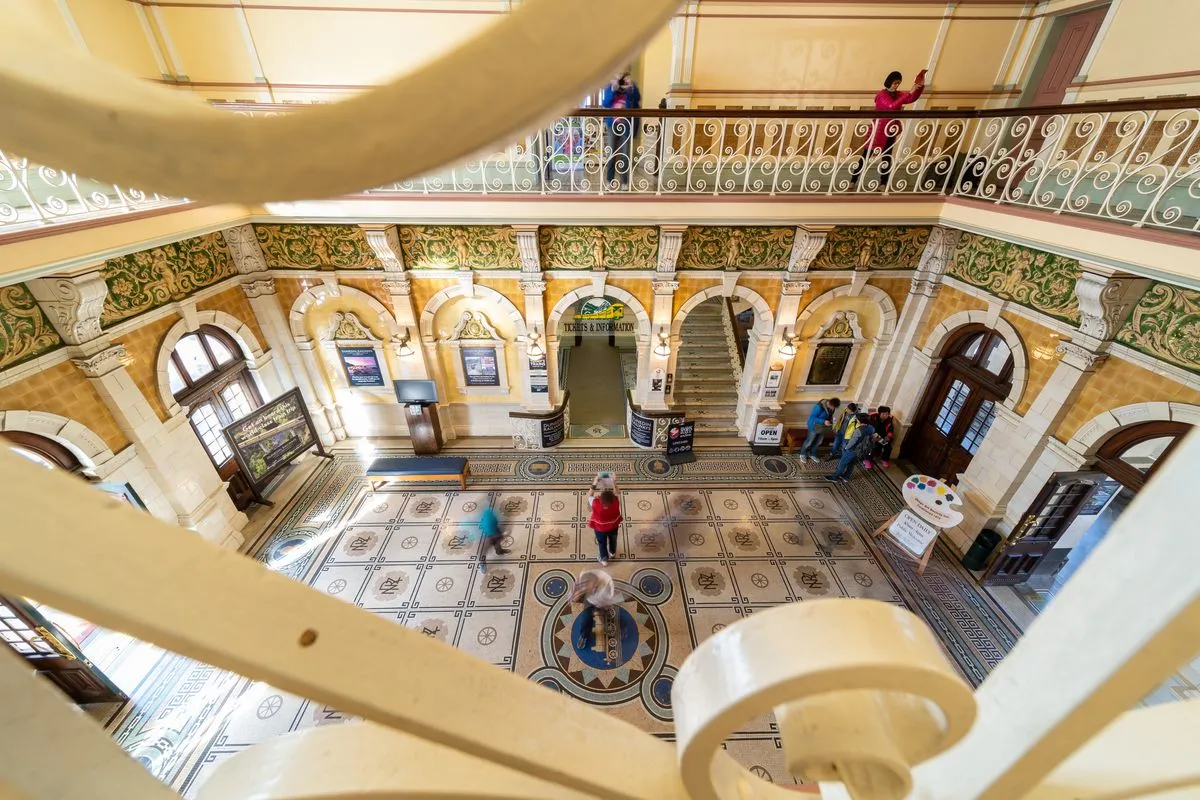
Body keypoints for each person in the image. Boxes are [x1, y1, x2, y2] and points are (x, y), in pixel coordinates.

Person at [851, 69, 927, 189]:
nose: (896, 85)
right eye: (895, 83)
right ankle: (853, 180)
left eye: (898, 83)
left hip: (890, 130)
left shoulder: (898, 94)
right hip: (878, 130)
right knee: (865, 156)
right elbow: (891, 106)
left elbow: (911, 99)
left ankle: (883, 183)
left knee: (887, 157)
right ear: (890, 82)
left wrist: (919, 87)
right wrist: (909, 93)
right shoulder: (881, 95)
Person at [600, 71, 641, 188]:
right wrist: (613, 88)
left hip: (627, 124)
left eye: (623, 77)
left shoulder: (631, 87)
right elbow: (605, 103)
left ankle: (624, 182)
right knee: (611, 153)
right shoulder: (610, 86)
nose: (621, 80)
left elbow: (637, 99)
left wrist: (630, 87)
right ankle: (609, 180)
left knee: (625, 154)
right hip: (612, 124)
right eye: (619, 76)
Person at [571, 569, 620, 651]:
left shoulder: (608, 584)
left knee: (604, 616)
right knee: (585, 620)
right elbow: (572, 598)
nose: (593, 589)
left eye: (595, 586)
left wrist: (605, 605)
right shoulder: (581, 579)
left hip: (603, 600)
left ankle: (606, 625)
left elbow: (610, 599)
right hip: (589, 601)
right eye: (590, 588)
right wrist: (576, 596)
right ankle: (584, 636)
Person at [824, 413, 879, 483]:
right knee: (852, 464)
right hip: (861, 451)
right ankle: (846, 477)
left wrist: (846, 448)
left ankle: (834, 477)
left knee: (842, 463)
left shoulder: (859, 430)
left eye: (857, 419)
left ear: (860, 421)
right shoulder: (871, 428)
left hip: (852, 450)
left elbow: (853, 442)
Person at [587, 474, 623, 566]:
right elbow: (617, 492)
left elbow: (590, 494)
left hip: (600, 528)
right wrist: (613, 482)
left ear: (600, 499)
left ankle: (604, 559)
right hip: (613, 526)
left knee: (602, 542)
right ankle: (612, 552)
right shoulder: (615, 501)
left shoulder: (595, 503)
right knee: (613, 539)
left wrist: (595, 482)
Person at [799, 397, 841, 464]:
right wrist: (823, 421)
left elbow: (829, 416)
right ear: (830, 404)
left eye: (834, 408)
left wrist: (831, 422)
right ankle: (803, 454)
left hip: (823, 428)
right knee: (809, 441)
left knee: (818, 442)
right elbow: (812, 417)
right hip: (814, 426)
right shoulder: (819, 407)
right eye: (833, 407)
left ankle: (812, 454)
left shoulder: (832, 408)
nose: (833, 409)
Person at [476, 503, 509, 573]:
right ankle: (482, 564)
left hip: (496, 534)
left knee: (497, 544)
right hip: (488, 537)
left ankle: (499, 551)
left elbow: (497, 523)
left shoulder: (491, 516)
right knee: (483, 552)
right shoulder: (486, 519)